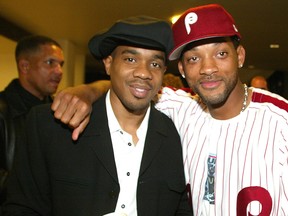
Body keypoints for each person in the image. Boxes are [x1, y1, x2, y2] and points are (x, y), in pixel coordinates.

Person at [55, 4, 288, 215]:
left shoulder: (281, 121)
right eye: (194, 58)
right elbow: (132, 85)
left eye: (221, 54)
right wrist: (87, 92)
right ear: (181, 69)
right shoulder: (179, 107)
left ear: (239, 56)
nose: (208, 68)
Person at [2, 16, 192, 216]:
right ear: (108, 64)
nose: (144, 73)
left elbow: (182, 209)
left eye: (154, 64)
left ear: (163, 71)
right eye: (130, 59)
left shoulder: (176, 133)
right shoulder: (51, 125)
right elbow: (22, 207)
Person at [0, 35, 92, 207]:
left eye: (61, 64)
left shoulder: (60, 113)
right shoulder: (3, 112)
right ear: (25, 66)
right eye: (50, 63)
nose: (59, 71)